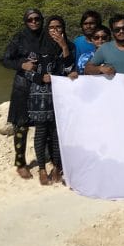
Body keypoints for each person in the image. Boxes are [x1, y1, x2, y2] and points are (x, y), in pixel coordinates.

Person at [27, 15, 75, 185]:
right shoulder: (36, 46)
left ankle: (56, 167)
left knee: (57, 133)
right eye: (51, 27)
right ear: (47, 30)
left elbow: (70, 69)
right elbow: (27, 71)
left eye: (58, 27)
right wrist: (40, 78)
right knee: (41, 132)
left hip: (60, 96)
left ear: (63, 29)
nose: (55, 30)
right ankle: (41, 168)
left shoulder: (70, 46)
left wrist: (64, 46)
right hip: (39, 97)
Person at [2, 9, 44, 179]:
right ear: (25, 22)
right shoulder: (19, 38)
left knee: (44, 124)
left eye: (37, 19)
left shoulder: (47, 37)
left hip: (42, 86)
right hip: (23, 86)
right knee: (21, 125)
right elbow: (6, 60)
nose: (34, 22)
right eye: (30, 19)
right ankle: (20, 163)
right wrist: (22, 64)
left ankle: (46, 160)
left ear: (42, 20)